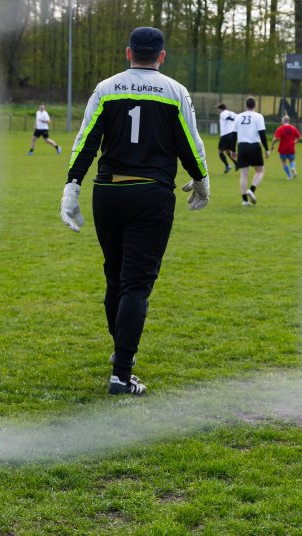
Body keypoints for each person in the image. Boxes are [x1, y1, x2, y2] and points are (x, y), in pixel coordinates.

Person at [59, 26, 209, 397]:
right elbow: (190, 142)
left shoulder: (106, 88)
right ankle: (122, 374)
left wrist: (72, 185)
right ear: (162, 56)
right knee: (136, 285)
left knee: (115, 277)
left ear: (129, 53)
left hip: (108, 192)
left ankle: (121, 352)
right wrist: (201, 180)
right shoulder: (175, 91)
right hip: (150, 194)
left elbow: (86, 140)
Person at [234, 97, 268, 206]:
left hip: (242, 146)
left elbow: (233, 135)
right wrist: (266, 149)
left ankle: (244, 201)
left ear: (246, 105)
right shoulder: (259, 116)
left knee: (244, 175)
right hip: (254, 146)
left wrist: (233, 150)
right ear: (255, 105)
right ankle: (251, 190)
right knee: (260, 171)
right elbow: (262, 134)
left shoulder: (238, 116)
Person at [270, 114, 302, 180]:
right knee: (292, 160)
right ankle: (293, 168)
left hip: (283, 149)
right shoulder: (293, 128)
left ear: (283, 121)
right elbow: (299, 137)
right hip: (291, 148)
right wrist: (294, 143)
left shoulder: (280, 128)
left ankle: (289, 176)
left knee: (283, 162)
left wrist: (272, 145)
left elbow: (275, 138)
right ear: (288, 121)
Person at [215, 102, 239, 173]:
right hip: (232, 134)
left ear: (220, 109)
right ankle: (236, 163)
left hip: (225, 135)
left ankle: (227, 165)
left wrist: (233, 120)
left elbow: (228, 118)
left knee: (220, 152)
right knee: (228, 151)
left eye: (218, 109)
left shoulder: (223, 113)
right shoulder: (231, 112)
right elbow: (238, 117)